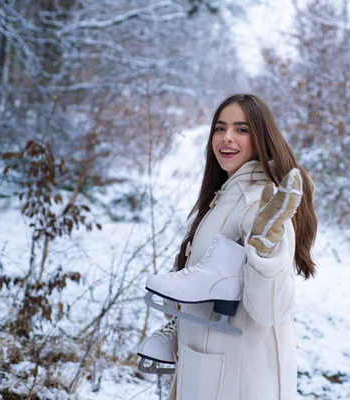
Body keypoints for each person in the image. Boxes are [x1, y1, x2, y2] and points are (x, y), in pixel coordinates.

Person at [140, 93, 317, 399]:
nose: (227, 138)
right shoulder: (225, 196)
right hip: (206, 369)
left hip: (240, 378)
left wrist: (265, 252)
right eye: (220, 128)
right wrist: (181, 327)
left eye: (241, 129)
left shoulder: (263, 203)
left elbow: (270, 310)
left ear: (262, 137)